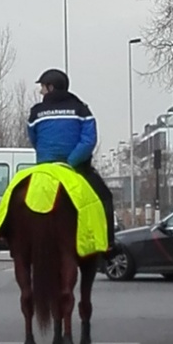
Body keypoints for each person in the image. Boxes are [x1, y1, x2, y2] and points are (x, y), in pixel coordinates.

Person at [27, 69, 115, 250]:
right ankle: (108, 244)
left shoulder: (36, 112)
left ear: (51, 88)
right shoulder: (81, 110)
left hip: (45, 168)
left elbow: (34, 138)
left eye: (42, 87)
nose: (41, 91)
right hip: (76, 168)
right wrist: (71, 162)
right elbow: (89, 140)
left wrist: (47, 157)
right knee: (105, 197)